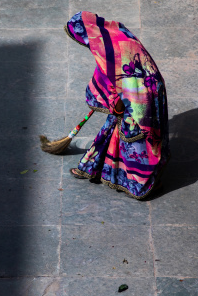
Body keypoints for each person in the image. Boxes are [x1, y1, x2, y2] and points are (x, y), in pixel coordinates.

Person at [66, 11, 170, 200]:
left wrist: (116, 100)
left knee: (135, 138)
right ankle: (91, 168)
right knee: (113, 127)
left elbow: (118, 72)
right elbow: (108, 72)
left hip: (140, 95)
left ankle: (143, 185)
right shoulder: (113, 34)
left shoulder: (109, 48)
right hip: (137, 88)